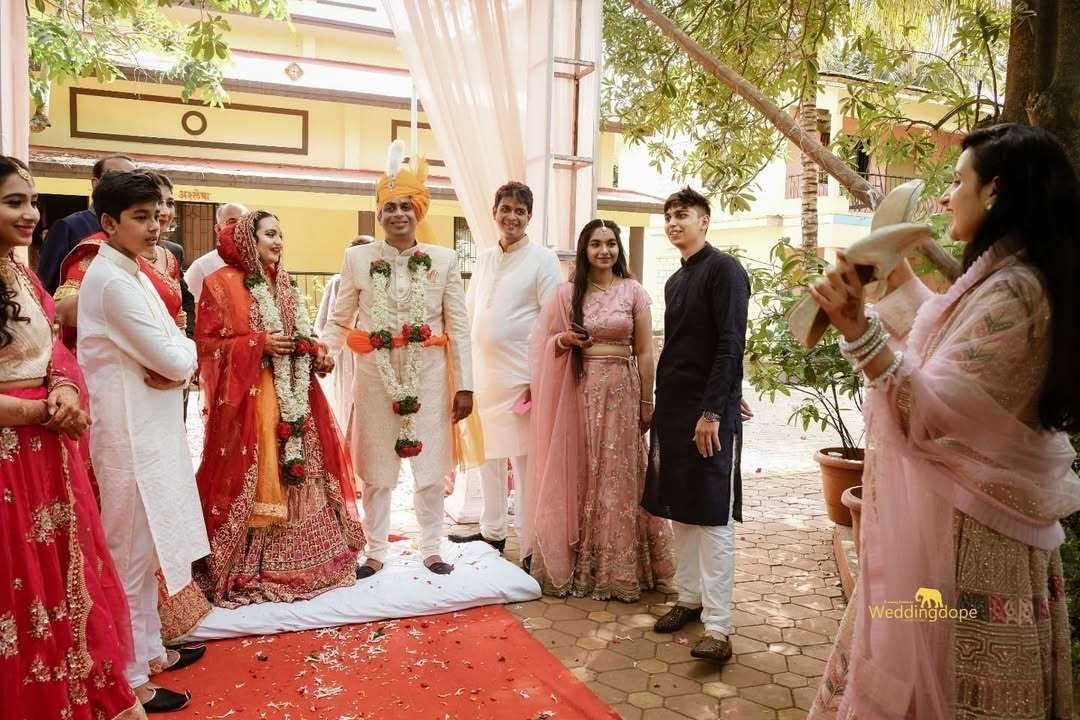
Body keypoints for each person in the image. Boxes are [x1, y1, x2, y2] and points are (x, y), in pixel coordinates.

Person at [807, 124, 1080, 719]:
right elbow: (949, 351)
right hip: (969, 522)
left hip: (973, 538)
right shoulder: (1010, 281)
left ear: (994, 191)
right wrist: (896, 277)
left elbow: (930, 413)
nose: (947, 196)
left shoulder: (1017, 293)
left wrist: (860, 335)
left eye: (958, 182)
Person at [0, 156, 145, 720]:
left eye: (32, 202)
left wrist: (63, 387)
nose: (31, 215)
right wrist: (41, 412)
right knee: (17, 587)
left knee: (61, 580)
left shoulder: (23, 275)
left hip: (47, 460)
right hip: (11, 461)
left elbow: (56, 348)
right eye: (14, 202)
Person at [77, 170, 209, 713]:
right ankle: (130, 678)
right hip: (127, 437)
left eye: (157, 215)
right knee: (128, 556)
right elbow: (177, 357)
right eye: (140, 217)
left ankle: (151, 651)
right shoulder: (110, 280)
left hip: (150, 432)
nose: (155, 226)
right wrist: (182, 361)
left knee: (147, 548)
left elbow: (180, 346)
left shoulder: (131, 271)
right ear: (109, 223)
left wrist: (182, 358)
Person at [320, 140, 478, 577]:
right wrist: (324, 353)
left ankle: (432, 547)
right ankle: (375, 550)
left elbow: (459, 327)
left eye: (406, 206)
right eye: (389, 207)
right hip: (375, 377)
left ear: (418, 211)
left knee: (430, 468)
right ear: (379, 214)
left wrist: (465, 386)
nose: (398, 214)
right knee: (376, 469)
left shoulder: (444, 261)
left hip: (430, 378)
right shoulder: (357, 259)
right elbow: (339, 319)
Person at [193, 211, 364, 605]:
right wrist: (257, 344)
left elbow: (300, 334)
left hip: (298, 394)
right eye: (270, 234)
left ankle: (307, 558)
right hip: (252, 399)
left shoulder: (283, 283)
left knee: (303, 468)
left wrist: (316, 353)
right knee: (263, 468)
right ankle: (250, 565)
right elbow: (207, 346)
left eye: (281, 235)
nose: (279, 242)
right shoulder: (220, 283)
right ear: (248, 240)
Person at [522, 219, 675, 601]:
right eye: (596, 244)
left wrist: (647, 401)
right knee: (581, 471)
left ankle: (620, 568)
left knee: (619, 475)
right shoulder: (566, 294)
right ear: (584, 250)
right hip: (580, 391)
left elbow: (645, 352)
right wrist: (563, 340)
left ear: (618, 249)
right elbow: (542, 344)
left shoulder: (633, 291)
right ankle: (579, 564)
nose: (604, 251)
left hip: (622, 392)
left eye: (610, 243)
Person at [642, 187, 750, 663]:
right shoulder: (675, 281)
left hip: (708, 416)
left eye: (682, 214)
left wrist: (715, 410)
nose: (673, 222)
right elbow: (689, 347)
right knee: (681, 509)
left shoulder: (725, 270)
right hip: (675, 409)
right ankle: (688, 599)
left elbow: (731, 342)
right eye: (668, 216)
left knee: (712, 515)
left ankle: (719, 628)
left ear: (704, 220)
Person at [448, 182, 563, 555]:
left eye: (520, 211)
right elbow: (469, 314)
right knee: (489, 458)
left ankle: (529, 544)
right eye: (506, 209)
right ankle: (492, 532)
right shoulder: (484, 258)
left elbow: (552, 320)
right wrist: (463, 375)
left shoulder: (542, 259)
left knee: (525, 463)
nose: (512, 217)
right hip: (484, 379)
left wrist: (539, 378)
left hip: (521, 380)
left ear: (529, 217)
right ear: (494, 213)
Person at [36, 153, 135, 292]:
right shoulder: (69, 227)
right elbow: (44, 283)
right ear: (96, 183)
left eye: (132, 179)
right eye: (118, 176)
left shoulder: (135, 230)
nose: (127, 185)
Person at [314, 234, 374, 432]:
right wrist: (327, 350)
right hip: (344, 349)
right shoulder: (339, 281)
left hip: (371, 350)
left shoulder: (380, 280)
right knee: (347, 398)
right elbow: (330, 320)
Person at [143, 173, 194, 337]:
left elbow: (185, 301)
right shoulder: (120, 251)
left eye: (170, 203)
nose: (165, 211)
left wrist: (187, 338)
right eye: (158, 202)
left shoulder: (173, 252)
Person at [184, 202, 247, 306]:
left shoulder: (260, 263)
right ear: (218, 229)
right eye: (232, 222)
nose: (240, 227)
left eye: (245, 222)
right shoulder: (201, 266)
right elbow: (192, 309)